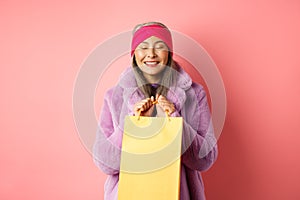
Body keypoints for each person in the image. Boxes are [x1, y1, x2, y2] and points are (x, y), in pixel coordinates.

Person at [93, 22, 218, 200]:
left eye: (159, 47)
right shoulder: (114, 97)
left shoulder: (195, 95)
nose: (151, 54)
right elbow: (104, 162)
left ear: (169, 54)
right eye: (143, 47)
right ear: (134, 54)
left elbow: (206, 159)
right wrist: (132, 125)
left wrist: (176, 122)